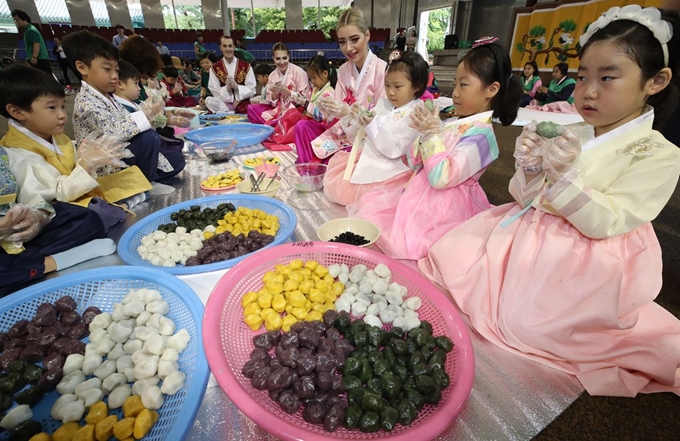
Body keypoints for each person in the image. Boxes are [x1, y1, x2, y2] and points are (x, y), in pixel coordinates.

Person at [420, 6, 680, 397]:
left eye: (608, 77)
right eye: (583, 77)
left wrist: (562, 179)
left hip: (591, 252)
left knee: (525, 322)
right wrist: (528, 168)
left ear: (655, 81)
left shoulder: (660, 154)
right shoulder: (573, 130)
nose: (589, 91)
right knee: (450, 254)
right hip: (534, 225)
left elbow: (606, 221)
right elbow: (525, 199)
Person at [351, 37, 523, 260]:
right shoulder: (452, 122)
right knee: (375, 217)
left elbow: (442, 177)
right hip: (417, 195)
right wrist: (422, 134)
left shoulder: (483, 137)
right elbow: (413, 162)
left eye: (464, 84)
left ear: (491, 89)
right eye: (455, 84)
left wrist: (431, 136)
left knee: (410, 246)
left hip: (445, 208)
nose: (455, 92)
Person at [0, 64, 151, 234]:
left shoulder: (54, 135)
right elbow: (48, 200)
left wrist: (84, 159)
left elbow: (72, 170)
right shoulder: (16, 151)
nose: (62, 115)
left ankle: (121, 205)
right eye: (52, 107)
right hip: (60, 207)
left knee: (133, 178)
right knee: (92, 215)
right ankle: (121, 207)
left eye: (63, 106)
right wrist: (86, 165)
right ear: (17, 111)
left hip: (77, 192)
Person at [63, 31, 186, 185]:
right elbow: (113, 133)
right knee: (148, 138)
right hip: (108, 166)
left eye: (116, 70)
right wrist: (145, 115)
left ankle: (143, 177)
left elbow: (130, 122)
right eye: (107, 69)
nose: (114, 76)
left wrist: (154, 115)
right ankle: (148, 182)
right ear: (82, 67)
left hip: (128, 153)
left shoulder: (108, 96)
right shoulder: (87, 104)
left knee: (177, 160)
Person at [0, 152, 116, 296]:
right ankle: (51, 263)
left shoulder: (4, 155)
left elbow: (32, 193)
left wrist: (38, 217)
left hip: (19, 237)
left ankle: (24, 270)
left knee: (86, 219)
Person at [321, 50, 427, 206]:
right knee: (337, 188)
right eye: (387, 85)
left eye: (398, 87)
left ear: (417, 86)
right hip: (367, 156)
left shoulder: (417, 114)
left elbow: (396, 149)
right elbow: (357, 135)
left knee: (367, 201)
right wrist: (353, 117)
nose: (390, 92)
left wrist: (371, 124)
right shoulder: (383, 104)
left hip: (391, 168)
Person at [294, 8, 387, 164]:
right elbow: (335, 113)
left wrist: (351, 112)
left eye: (354, 39)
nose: (348, 48)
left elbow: (383, 121)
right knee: (302, 127)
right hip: (342, 134)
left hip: (365, 140)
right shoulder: (343, 70)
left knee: (345, 160)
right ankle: (320, 167)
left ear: (367, 36)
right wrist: (328, 107)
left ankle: (328, 167)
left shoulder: (382, 70)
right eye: (342, 42)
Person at [263, 55, 336, 151]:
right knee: (291, 113)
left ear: (325, 74)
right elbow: (305, 99)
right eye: (311, 79)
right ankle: (281, 133)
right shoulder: (316, 89)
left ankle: (288, 137)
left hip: (321, 125)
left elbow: (323, 116)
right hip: (296, 110)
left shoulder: (329, 92)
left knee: (299, 123)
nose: (312, 82)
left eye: (314, 78)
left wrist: (304, 103)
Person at [247, 42, 309, 125]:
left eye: (284, 58)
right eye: (278, 58)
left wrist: (287, 92)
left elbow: (305, 100)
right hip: (278, 109)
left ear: (289, 57)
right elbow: (272, 103)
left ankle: (279, 125)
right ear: (273, 58)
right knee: (251, 108)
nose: (282, 62)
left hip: (296, 109)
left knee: (292, 117)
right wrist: (275, 93)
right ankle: (277, 123)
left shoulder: (299, 73)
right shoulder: (272, 75)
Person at [206, 35, 257, 115]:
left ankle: (227, 112)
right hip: (224, 103)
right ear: (220, 48)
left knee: (252, 105)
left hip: (241, 102)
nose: (228, 49)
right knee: (208, 100)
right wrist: (227, 88)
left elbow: (252, 89)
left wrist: (237, 87)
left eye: (230, 46)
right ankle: (228, 110)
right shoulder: (214, 68)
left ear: (234, 47)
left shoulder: (246, 66)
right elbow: (214, 90)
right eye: (225, 46)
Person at [11, 10, 51, 77]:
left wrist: (34, 57)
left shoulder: (30, 30)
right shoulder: (28, 30)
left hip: (40, 59)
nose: (16, 22)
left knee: (44, 79)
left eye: (17, 20)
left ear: (24, 19)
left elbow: (36, 44)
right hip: (39, 58)